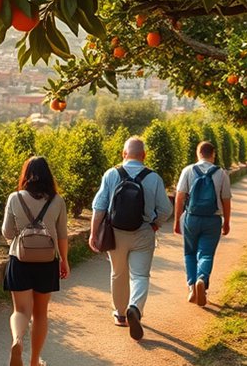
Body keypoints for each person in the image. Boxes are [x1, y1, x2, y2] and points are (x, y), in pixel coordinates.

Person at [88, 136, 173, 341]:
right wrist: (155, 224)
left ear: (123, 154)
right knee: (140, 275)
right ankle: (134, 307)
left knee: (118, 273)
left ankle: (120, 315)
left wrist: (93, 233)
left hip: (115, 233)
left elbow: (99, 207)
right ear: (144, 155)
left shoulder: (111, 174)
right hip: (143, 232)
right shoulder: (154, 178)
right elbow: (165, 209)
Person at [2, 157, 70, 366]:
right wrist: (64, 260)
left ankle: (17, 339)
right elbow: (62, 235)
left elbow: (7, 232)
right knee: (40, 314)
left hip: (19, 259)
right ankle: (34, 361)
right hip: (47, 261)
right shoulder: (57, 201)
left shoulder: (15, 198)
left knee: (20, 310)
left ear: (25, 174)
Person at [173, 141, 232, 307]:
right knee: (206, 254)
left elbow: (179, 197)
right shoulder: (221, 173)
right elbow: (226, 200)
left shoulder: (188, 170)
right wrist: (227, 222)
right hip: (213, 220)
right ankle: (202, 279)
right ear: (213, 154)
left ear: (198, 154)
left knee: (190, 253)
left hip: (191, 218)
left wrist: (177, 221)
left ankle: (192, 287)